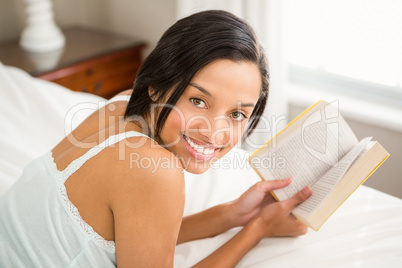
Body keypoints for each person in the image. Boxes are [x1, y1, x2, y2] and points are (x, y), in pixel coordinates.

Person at [0, 10, 311, 267]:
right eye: (198, 101)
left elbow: (134, 235)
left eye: (237, 114)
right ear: (155, 85)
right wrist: (257, 230)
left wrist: (232, 215)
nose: (215, 132)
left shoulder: (121, 105)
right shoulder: (157, 170)